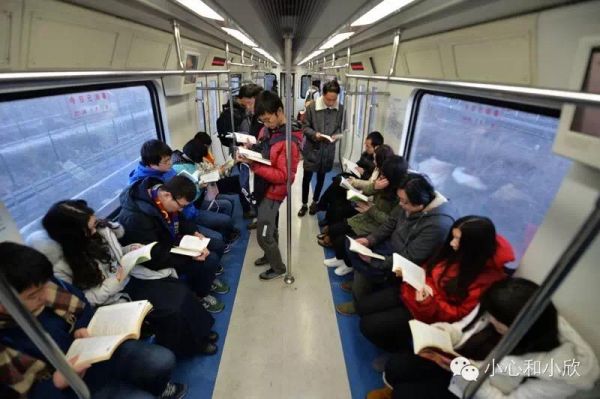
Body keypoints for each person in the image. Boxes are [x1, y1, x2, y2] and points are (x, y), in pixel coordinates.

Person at [0, 242, 188, 399]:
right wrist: (57, 382)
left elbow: (83, 306)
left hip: (92, 349)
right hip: (68, 386)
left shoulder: (46, 285)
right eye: (33, 295)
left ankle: (151, 388)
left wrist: (81, 327)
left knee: (163, 360)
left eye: (45, 286)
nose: (44, 296)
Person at [38, 200, 219, 356]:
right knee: (170, 308)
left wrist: (129, 249)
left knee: (179, 289)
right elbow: (86, 300)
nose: (96, 228)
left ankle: (201, 332)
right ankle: (191, 345)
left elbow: (115, 256)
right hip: (112, 297)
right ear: (74, 235)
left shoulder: (101, 232)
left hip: (129, 277)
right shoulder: (63, 268)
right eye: (90, 227)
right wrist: (116, 280)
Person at [367, 278, 600, 399]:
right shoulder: (498, 312)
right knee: (397, 366)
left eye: (498, 323)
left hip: (476, 386)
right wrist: (442, 334)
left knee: (406, 394)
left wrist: (466, 374)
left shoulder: (560, 372)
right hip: (461, 364)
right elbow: (463, 328)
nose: (490, 322)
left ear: (522, 328)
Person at [357, 216, 513, 352]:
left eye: (458, 239)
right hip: (412, 292)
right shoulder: (454, 252)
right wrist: (409, 273)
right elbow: (429, 268)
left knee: (368, 326)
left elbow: (458, 315)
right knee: (363, 306)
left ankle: (397, 347)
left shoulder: (487, 279)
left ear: (473, 246)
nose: (452, 243)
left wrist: (427, 302)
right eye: (453, 237)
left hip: (428, 312)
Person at [336, 173, 455, 315]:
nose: (400, 204)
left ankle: (360, 296)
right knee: (352, 246)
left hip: (405, 263)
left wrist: (376, 261)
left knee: (365, 263)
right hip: (391, 245)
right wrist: (370, 240)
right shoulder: (409, 201)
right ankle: (363, 282)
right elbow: (390, 223)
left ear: (420, 204)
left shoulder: (437, 225)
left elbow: (410, 257)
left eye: (404, 202)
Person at [118, 175, 227, 313]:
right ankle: (200, 295)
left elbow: (181, 219)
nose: (181, 210)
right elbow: (153, 256)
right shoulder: (136, 218)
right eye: (181, 206)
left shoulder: (162, 196)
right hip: (156, 258)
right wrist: (190, 255)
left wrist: (193, 232)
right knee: (209, 260)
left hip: (171, 241)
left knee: (217, 245)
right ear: (166, 195)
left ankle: (206, 278)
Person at [236, 90, 302, 280]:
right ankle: (269, 254)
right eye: (263, 120)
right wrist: (252, 149)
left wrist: (254, 165)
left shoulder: (289, 142)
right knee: (269, 227)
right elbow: (264, 146)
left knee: (263, 234)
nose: (265, 124)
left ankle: (278, 267)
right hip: (263, 185)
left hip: (274, 192)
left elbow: (284, 176)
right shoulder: (268, 130)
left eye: (268, 119)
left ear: (280, 111)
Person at [128, 139, 232, 255]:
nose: (171, 163)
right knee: (216, 239)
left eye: (170, 159)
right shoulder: (142, 185)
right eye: (167, 161)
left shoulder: (166, 169)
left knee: (224, 220)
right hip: (177, 222)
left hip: (189, 211)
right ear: (152, 164)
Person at [320, 149, 406, 277]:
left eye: (384, 175)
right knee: (334, 229)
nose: (381, 177)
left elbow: (390, 222)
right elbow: (366, 191)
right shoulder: (384, 185)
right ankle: (340, 258)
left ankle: (348, 265)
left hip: (375, 224)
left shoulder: (400, 197)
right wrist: (375, 187)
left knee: (341, 239)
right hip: (367, 216)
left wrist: (371, 210)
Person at [216, 84, 263, 220]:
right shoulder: (232, 114)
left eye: (251, 104)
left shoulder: (256, 114)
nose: (249, 107)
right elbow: (227, 138)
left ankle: (255, 208)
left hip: (252, 152)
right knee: (245, 182)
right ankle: (249, 208)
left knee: (254, 182)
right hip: (243, 152)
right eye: (246, 104)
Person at [316, 131, 384, 225]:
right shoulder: (366, 154)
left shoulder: (380, 163)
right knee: (338, 188)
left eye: (368, 146)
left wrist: (363, 173)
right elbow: (358, 165)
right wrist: (353, 167)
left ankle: (323, 206)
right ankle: (328, 217)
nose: (366, 148)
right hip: (356, 179)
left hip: (363, 189)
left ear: (376, 147)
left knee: (338, 185)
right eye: (365, 145)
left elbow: (371, 183)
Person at [298, 80, 344, 217]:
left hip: (328, 150)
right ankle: (304, 204)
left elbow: (340, 128)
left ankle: (315, 202)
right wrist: (315, 135)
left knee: (321, 178)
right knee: (306, 178)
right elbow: (304, 127)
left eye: (334, 99)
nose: (331, 102)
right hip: (312, 149)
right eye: (328, 99)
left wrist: (336, 136)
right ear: (322, 95)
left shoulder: (340, 109)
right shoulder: (312, 107)